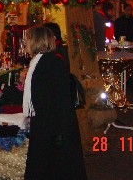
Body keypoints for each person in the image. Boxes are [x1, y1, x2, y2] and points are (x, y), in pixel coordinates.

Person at [23, 26, 87, 180]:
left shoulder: (49, 62)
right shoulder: (40, 61)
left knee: (52, 169)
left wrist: (58, 134)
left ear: (37, 41)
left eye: (28, 39)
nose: (25, 42)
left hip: (52, 129)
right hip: (47, 126)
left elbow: (57, 100)